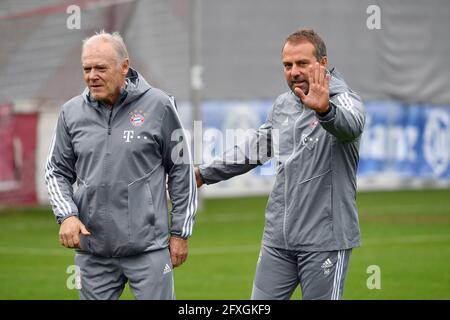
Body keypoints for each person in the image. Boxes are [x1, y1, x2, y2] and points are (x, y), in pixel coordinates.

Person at [195, 29, 365, 300]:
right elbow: (254, 150)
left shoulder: (343, 99)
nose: (294, 71)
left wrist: (325, 111)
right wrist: (202, 174)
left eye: (302, 63)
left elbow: (352, 126)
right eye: (288, 65)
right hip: (278, 241)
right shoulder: (283, 105)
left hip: (324, 242)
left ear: (322, 63)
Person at [45, 31, 197, 300]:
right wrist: (67, 214)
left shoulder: (159, 105)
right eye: (87, 68)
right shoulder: (71, 112)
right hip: (93, 251)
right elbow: (56, 170)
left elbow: (181, 170)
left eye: (100, 68)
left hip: (148, 248)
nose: (92, 76)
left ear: (124, 66)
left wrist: (180, 232)